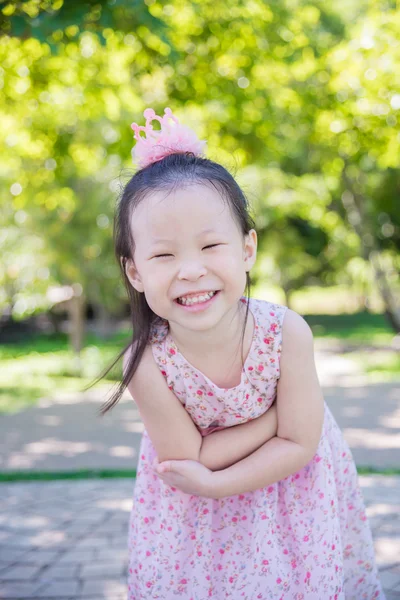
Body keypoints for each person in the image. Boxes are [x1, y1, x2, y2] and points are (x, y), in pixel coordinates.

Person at [108, 107, 385, 599]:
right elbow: (186, 461)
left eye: (211, 245)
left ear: (247, 248)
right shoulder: (146, 363)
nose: (190, 270)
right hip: (194, 520)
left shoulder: (285, 335)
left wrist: (221, 474)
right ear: (135, 272)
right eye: (164, 255)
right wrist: (275, 422)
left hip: (294, 496)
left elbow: (300, 445)